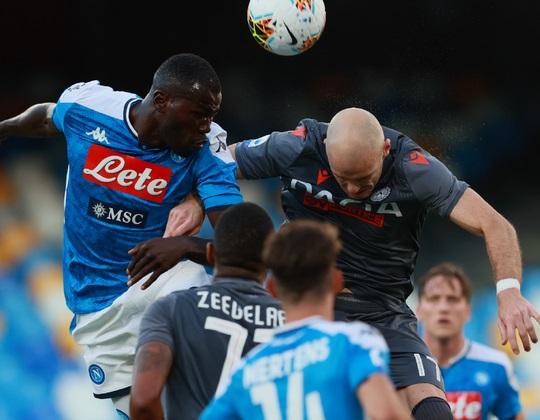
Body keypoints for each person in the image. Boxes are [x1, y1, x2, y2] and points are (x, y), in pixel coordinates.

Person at [168, 107, 539, 418]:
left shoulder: (415, 169)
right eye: (342, 179)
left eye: (363, 180)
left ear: (385, 150)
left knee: (434, 411)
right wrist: (197, 201)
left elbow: (495, 224)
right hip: (303, 304)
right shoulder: (297, 146)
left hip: (382, 311)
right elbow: (223, 161)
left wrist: (509, 292)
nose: (352, 191)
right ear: (326, 152)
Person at [0, 53, 243, 417]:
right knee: (143, 411)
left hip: (160, 277)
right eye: (199, 115)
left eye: (211, 116)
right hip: (96, 305)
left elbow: (241, 245)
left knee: (209, 346)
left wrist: (185, 246)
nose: (206, 126)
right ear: (161, 101)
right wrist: (4, 128)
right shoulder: (90, 107)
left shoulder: (206, 148)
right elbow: (48, 117)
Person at [201, 220, 410, 420]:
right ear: (336, 281)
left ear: (271, 289)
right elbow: (386, 414)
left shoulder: (246, 370)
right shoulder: (354, 341)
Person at [130, 203, 284, 420]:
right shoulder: (292, 321)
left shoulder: (171, 309)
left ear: (210, 253)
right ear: (270, 260)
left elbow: (144, 402)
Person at [416, 263, 524, 420]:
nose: (443, 308)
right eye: (434, 299)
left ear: (468, 311)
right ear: (418, 310)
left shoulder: (495, 364)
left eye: (452, 299)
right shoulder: (397, 364)